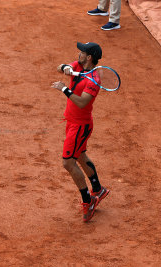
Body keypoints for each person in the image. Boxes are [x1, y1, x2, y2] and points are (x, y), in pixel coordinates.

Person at [51, 42, 110, 222]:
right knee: (81, 156)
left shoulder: (94, 80)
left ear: (89, 57)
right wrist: (67, 68)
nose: (79, 54)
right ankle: (98, 189)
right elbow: (60, 66)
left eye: (82, 52)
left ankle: (88, 200)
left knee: (68, 163)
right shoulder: (79, 66)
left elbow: (82, 102)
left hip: (80, 126)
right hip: (72, 122)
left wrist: (64, 89)